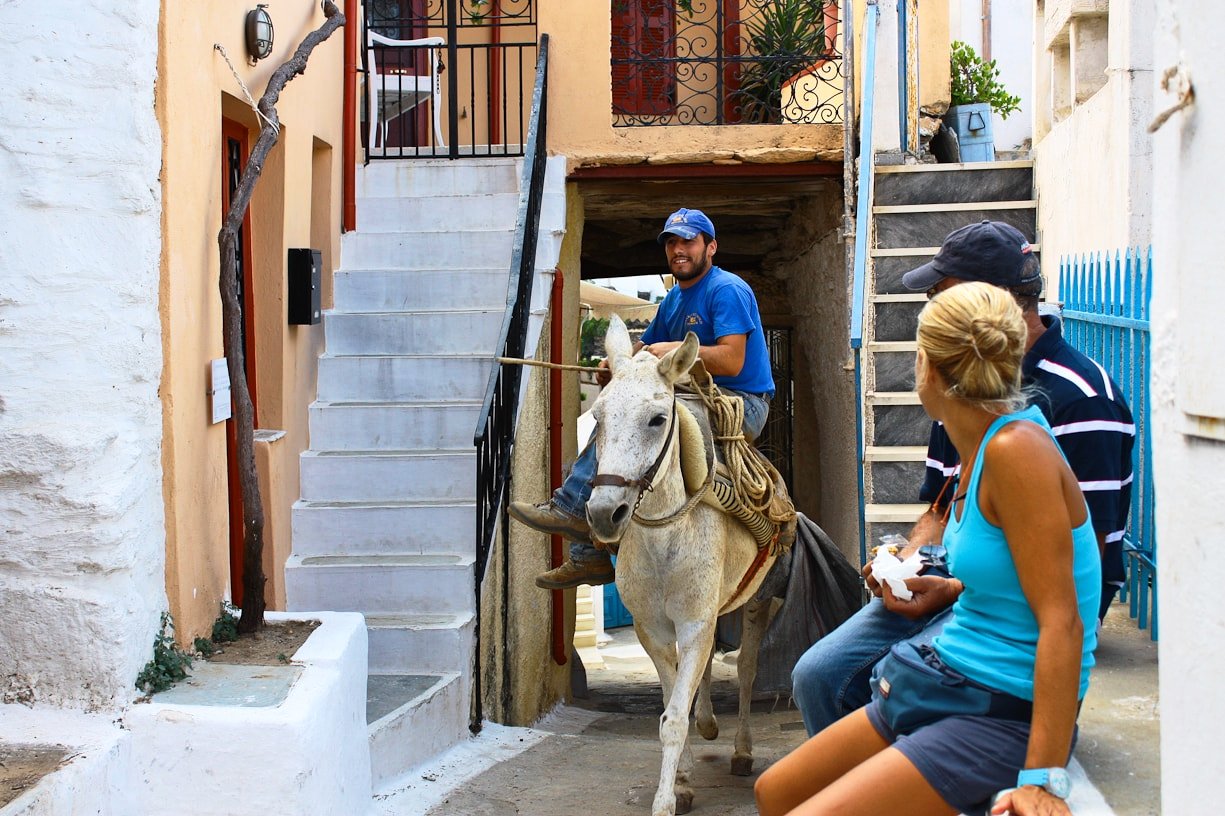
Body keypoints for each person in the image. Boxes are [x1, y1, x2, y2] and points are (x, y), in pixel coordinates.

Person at [755, 281, 1101, 816]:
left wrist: (1040, 781)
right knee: (773, 793)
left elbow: (1064, 620)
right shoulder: (982, 441)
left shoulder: (1016, 451)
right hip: (942, 676)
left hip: (995, 710)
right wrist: (947, 590)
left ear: (929, 369)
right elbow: (1015, 572)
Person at [790, 221, 1134, 737]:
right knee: (817, 674)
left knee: (894, 679)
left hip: (1005, 609)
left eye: (938, 294)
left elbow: (1080, 565)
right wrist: (904, 566)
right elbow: (938, 506)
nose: (927, 309)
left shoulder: (1083, 400)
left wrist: (949, 588)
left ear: (987, 303)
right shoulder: (959, 381)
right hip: (955, 584)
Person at [510, 207, 776, 589]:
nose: (678, 249)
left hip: (741, 403)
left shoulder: (727, 289)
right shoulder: (673, 300)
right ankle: (590, 555)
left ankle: (570, 508)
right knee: (620, 413)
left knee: (649, 416)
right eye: (671, 242)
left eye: (688, 240)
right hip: (696, 394)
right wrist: (613, 363)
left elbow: (732, 361)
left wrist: (668, 349)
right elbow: (643, 348)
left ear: (711, 247)